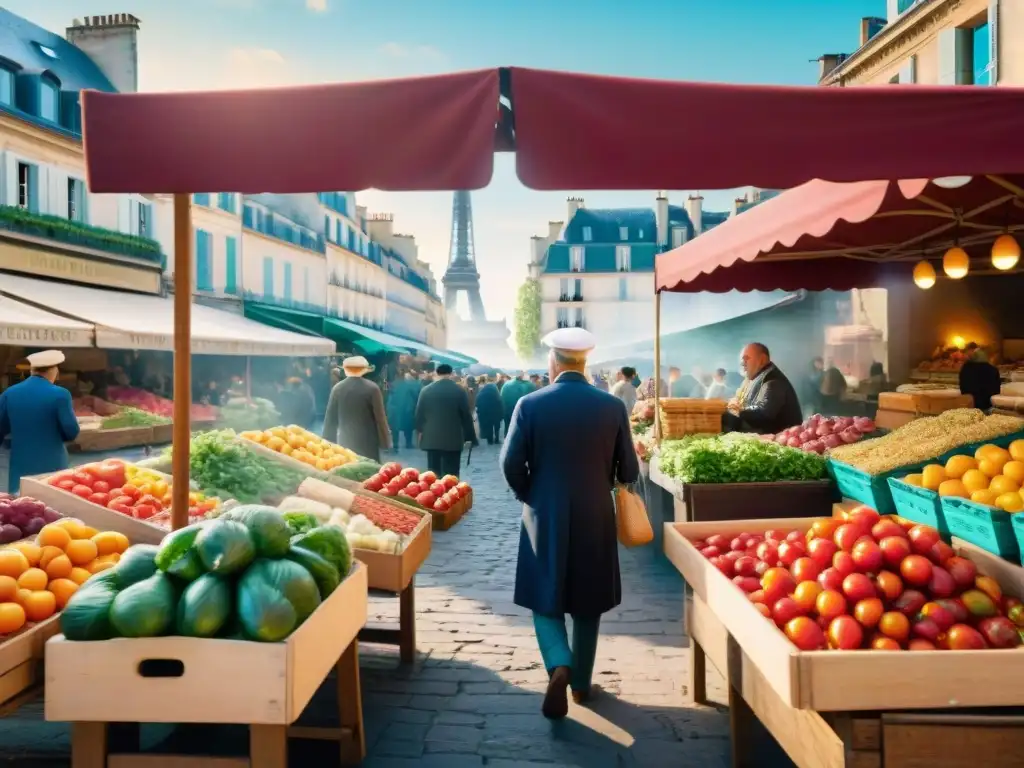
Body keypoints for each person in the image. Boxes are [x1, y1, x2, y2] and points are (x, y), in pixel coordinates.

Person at [500, 327, 639, 720]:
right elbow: (628, 468)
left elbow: (510, 463)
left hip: (543, 513)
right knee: (588, 602)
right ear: (585, 361)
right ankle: (580, 684)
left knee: (543, 596)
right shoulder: (612, 407)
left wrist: (531, 493)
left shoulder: (530, 403)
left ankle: (559, 662)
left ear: (552, 362)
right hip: (595, 513)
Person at [0, 350, 81, 494]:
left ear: (32, 370)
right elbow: (71, 431)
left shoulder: (9, 393)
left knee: (22, 506)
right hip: (53, 464)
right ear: (53, 370)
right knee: (53, 506)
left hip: (20, 464)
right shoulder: (61, 394)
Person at [723, 343, 803, 435]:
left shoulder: (773, 382)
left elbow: (764, 414)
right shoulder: (756, 377)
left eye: (746, 358)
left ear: (762, 360)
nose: (742, 363)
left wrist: (738, 410)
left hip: (778, 442)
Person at [322, 356, 391, 462]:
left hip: (345, 440)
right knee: (369, 471)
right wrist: (385, 442)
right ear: (364, 370)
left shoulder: (338, 388)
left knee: (348, 469)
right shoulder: (373, 388)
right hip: (368, 441)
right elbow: (380, 418)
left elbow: (330, 419)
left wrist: (327, 441)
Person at [415, 364, 477, 476]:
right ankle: (451, 492)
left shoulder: (426, 390)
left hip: (431, 438)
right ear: (451, 373)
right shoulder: (459, 391)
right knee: (452, 473)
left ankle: (435, 492)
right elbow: (466, 416)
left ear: (436, 373)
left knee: (433, 474)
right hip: (453, 439)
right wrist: (470, 436)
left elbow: (419, 415)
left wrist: (420, 431)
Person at [386, 370, 419, 451]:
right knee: (408, 427)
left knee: (394, 428)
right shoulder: (411, 385)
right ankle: (408, 443)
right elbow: (416, 396)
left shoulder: (392, 385)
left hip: (394, 409)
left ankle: (395, 444)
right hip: (407, 408)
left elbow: (387, 398)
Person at [475, 376, 502, 445]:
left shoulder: (481, 394)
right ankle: (497, 439)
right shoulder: (496, 394)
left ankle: (490, 440)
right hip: (495, 412)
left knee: (489, 426)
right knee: (497, 426)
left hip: (486, 413)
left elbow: (477, 404)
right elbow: (500, 403)